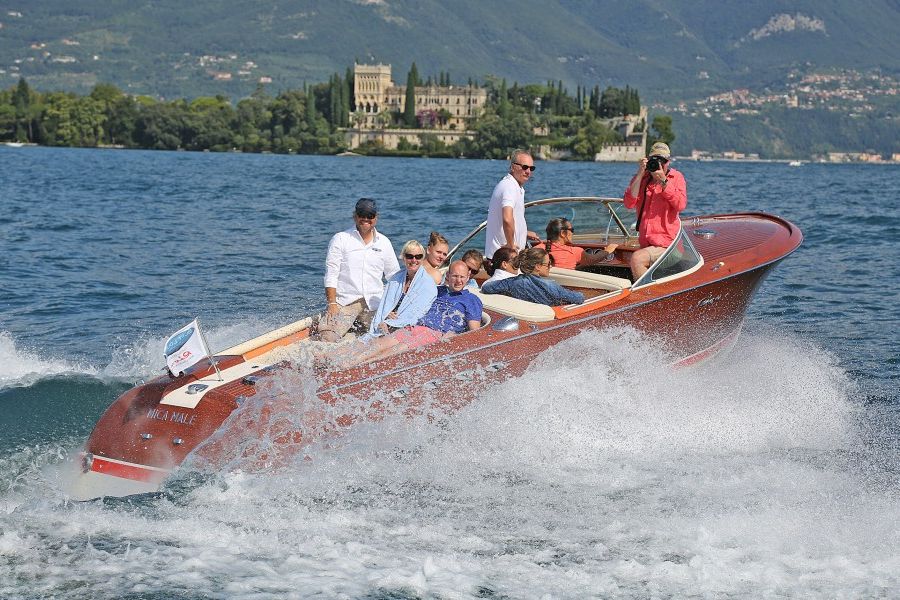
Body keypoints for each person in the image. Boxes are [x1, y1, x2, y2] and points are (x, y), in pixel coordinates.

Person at [326, 260, 482, 367]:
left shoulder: (471, 299)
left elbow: (475, 333)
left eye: (462, 277)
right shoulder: (435, 290)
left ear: (468, 278)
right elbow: (406, 299)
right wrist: (392, 312)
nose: (458, 280)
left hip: (435, 334)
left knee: (394, 351)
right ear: (447, 276)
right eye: (455, 276)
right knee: (378, 343)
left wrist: (453, 337)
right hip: (414, 327)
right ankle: (332, 358)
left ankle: (351, 367)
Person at [319, 198, 400, 342]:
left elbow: (394, 276)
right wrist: (332, 304)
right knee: (328, 337)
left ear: (376, 218)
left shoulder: (384, 242)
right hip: (345, 302)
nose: (366, 219)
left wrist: (392, 307)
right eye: (362, 214)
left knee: (391, 334)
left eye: (370, 216)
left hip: (375, 303)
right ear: (355, 216)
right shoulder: (340, 239)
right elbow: (331, 274)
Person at [622, 142, 688, 279]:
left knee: (637, 259)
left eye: (662, 161)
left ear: (668, 162)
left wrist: (663, 181)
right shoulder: (642, 178)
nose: (659, 165)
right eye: (654, 160)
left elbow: (681, 205)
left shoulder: (676, 178)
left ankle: (646, 297)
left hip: (669, 247)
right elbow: (628, 203)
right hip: (647, 245)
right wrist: (640, 174)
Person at [366, 240, 437, 337]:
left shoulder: (427, 285)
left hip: (410, 328)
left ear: (423, 258)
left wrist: (392, 324)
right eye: (409, 256)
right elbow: (385, 305)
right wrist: (387, 313)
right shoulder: (396, 279)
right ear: (403, 257)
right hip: (388, 323)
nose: (414, 260)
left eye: (418, 256)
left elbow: (417, 314)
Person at [485, 149, 540, 258]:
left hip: (509, 255)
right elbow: (507, 218)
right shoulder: (509, 186)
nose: (528, 171)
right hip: (503, 257)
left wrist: (524, 232)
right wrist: (510, 245)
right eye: (524, 167)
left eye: (531, 168)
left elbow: (511, 218)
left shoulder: (516, 186)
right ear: (513, 166)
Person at [481, 247, 584, 306]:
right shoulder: (551, 286)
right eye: (548, 264)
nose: (550, 266)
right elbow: (579, 298)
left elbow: (486, 287)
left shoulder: (512, 282)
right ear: (538, 266)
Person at [545, 217, 618, 271]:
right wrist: (608, 251)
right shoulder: (574, 252)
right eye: (571, 230)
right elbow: (593, 259)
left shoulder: (538, 249)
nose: (572, 233)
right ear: (563, 233)